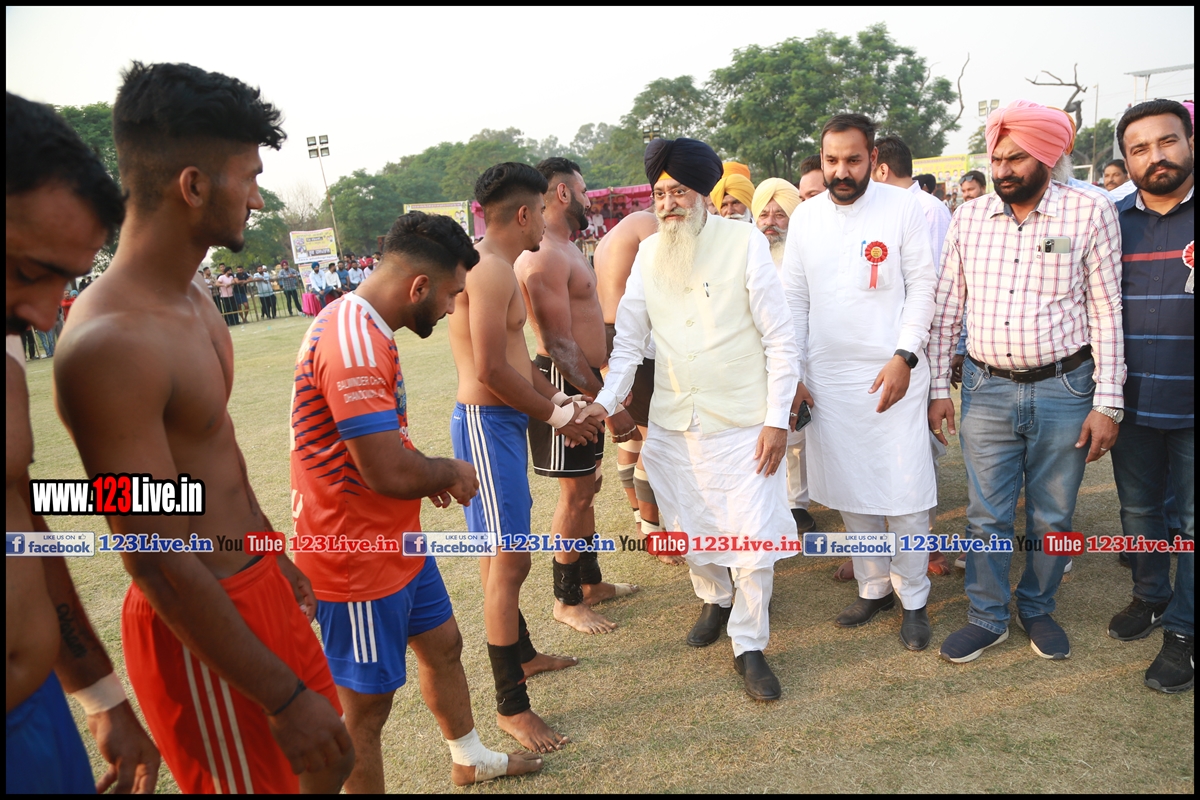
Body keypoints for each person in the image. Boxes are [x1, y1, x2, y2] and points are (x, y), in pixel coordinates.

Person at [53, 61, 354, 793]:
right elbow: (154, 556)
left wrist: (268, 552)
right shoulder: (109, 342)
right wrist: (280, 697)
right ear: (192, 186)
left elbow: (217, 456)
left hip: (253, 581)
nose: (257, 197)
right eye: (248, 178)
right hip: (201, 619)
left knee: (334, 761)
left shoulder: (193, 297)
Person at [291, 211, 543, 787]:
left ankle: (469, 757)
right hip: (353, 553)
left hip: (393, 537)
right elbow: (383, 469)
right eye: (452, 295)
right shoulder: (353, 341)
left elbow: (376, 443)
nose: (453, 309)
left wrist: (428, 477)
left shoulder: (364, 324)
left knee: (443, 644)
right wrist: (446, 470)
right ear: (419, 286)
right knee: (365, 710)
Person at [577, 137, 800, 701]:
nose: (668, 203)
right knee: (690, 522)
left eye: (678, 192)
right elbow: (629, 344)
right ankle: (714, 599)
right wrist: (606, 401)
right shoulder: (649, 253)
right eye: (659, 194)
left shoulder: (744, 241)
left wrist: (777, 419)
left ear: (702, 194)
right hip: (676, 421)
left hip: (745, 420)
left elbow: (780, 338)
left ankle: (749, 643)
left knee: (753, 536)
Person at [929, 99, 1125, 664]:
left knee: (1054, 514)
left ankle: (1038, 607)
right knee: (986, 514)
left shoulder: (1089, 211)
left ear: (1049, 156)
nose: (1003, 169)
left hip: (1066, 389)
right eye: (997, 158)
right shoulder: (969, 217)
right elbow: (947, 309)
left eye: (1017, 158)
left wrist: (1108, 402)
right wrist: (939, 388)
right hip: (986, 389)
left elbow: (1107, 310)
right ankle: (986, 616)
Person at [6, 89, 161, 795]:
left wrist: (98, 693)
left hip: (40, 713)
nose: (45, 314)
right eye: (26, 271)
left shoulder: (8, 338)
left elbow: (21, 519)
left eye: (63, 282)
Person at [447, 162, 601, 753]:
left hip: (504, 423)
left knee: (502, 559)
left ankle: (524, 654)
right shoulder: (488, 270)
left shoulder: (498, 266)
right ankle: (511, 706)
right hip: (487, 426)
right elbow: (489, 370)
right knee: (508, 562)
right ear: (521, 213)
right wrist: (558, 418)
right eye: (539, 211)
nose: (543, 220)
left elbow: (514, 360)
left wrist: (560, 400)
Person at [784, 115, 938, 651]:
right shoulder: (805, 218)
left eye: (853, 160)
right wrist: (795, 375)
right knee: (853, 490)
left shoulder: (904, 208)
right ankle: (874, 588)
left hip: (894, 373)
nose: (841, 171)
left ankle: (914, 597)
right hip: (829, 377)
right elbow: (794, 300)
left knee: (906, 491)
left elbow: (923, 288)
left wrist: (904, 356)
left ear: (873, 158)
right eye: (832, 161)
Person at [515, 158, 639, 636]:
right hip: (564, 386)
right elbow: (559, 344)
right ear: (563, 193)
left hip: (584, 382)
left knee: (588, 489)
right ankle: (565, 601)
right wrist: (611, 405)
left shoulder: (564, 248)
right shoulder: (544, 255)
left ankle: (590, 582)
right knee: (574, 495)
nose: (590, 201)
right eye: (584, 192)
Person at [1106, 99, 1193, 693]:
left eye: (1167, 141)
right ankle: (1151, 595)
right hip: (1131, 401)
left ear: (1190, 142)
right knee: (1138, 512)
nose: (1154, 156)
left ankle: (1184, 630)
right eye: (1139, 148)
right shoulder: (1112, 222)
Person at [870, 133, 955, 577]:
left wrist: (929, 362)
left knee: (916, 458)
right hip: (882, 354)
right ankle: (883, 551)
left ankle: (926, 549)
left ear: (881, 168)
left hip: (917, 352)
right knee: (884, 455)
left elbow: (934, 291)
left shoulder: (927, 210)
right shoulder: (880, 209)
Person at [593, 209, 681, 564]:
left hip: (611, 334)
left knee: (632, 440)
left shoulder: (615, 233)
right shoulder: (648, 225)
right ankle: (654, 533)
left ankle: (641, 521)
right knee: (653, 440)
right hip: (633, 340)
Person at [751, 177, 814, 534]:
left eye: (780, 215)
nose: (771, 222)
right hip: (752, 360)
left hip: (800, 356)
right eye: (764, 214)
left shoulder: (803, 258)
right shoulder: (744, 254)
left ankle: (797, 503)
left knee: (797, 434)